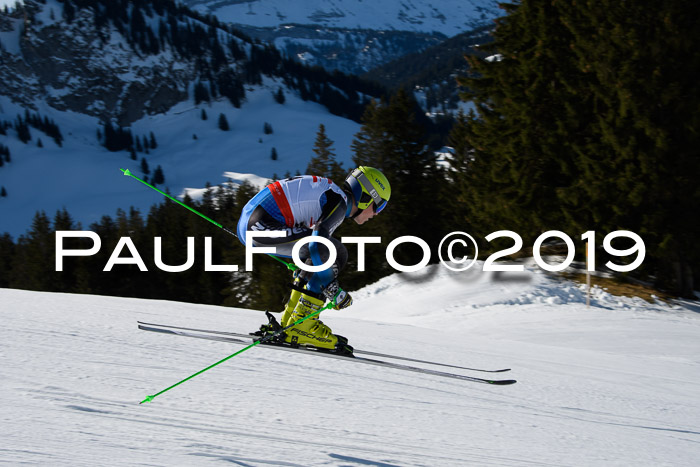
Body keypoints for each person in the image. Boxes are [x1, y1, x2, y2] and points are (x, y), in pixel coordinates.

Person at [236, 166, 391, 355]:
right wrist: (333, 289)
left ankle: (290, 323)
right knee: (334, 252)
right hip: (259, 227)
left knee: (323, 254)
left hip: (254, 224)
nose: (376, 214)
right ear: (366, 197)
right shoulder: (338, 204)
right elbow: (317, 247)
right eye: (379, 206)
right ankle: (303, 326)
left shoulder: (333, 196)